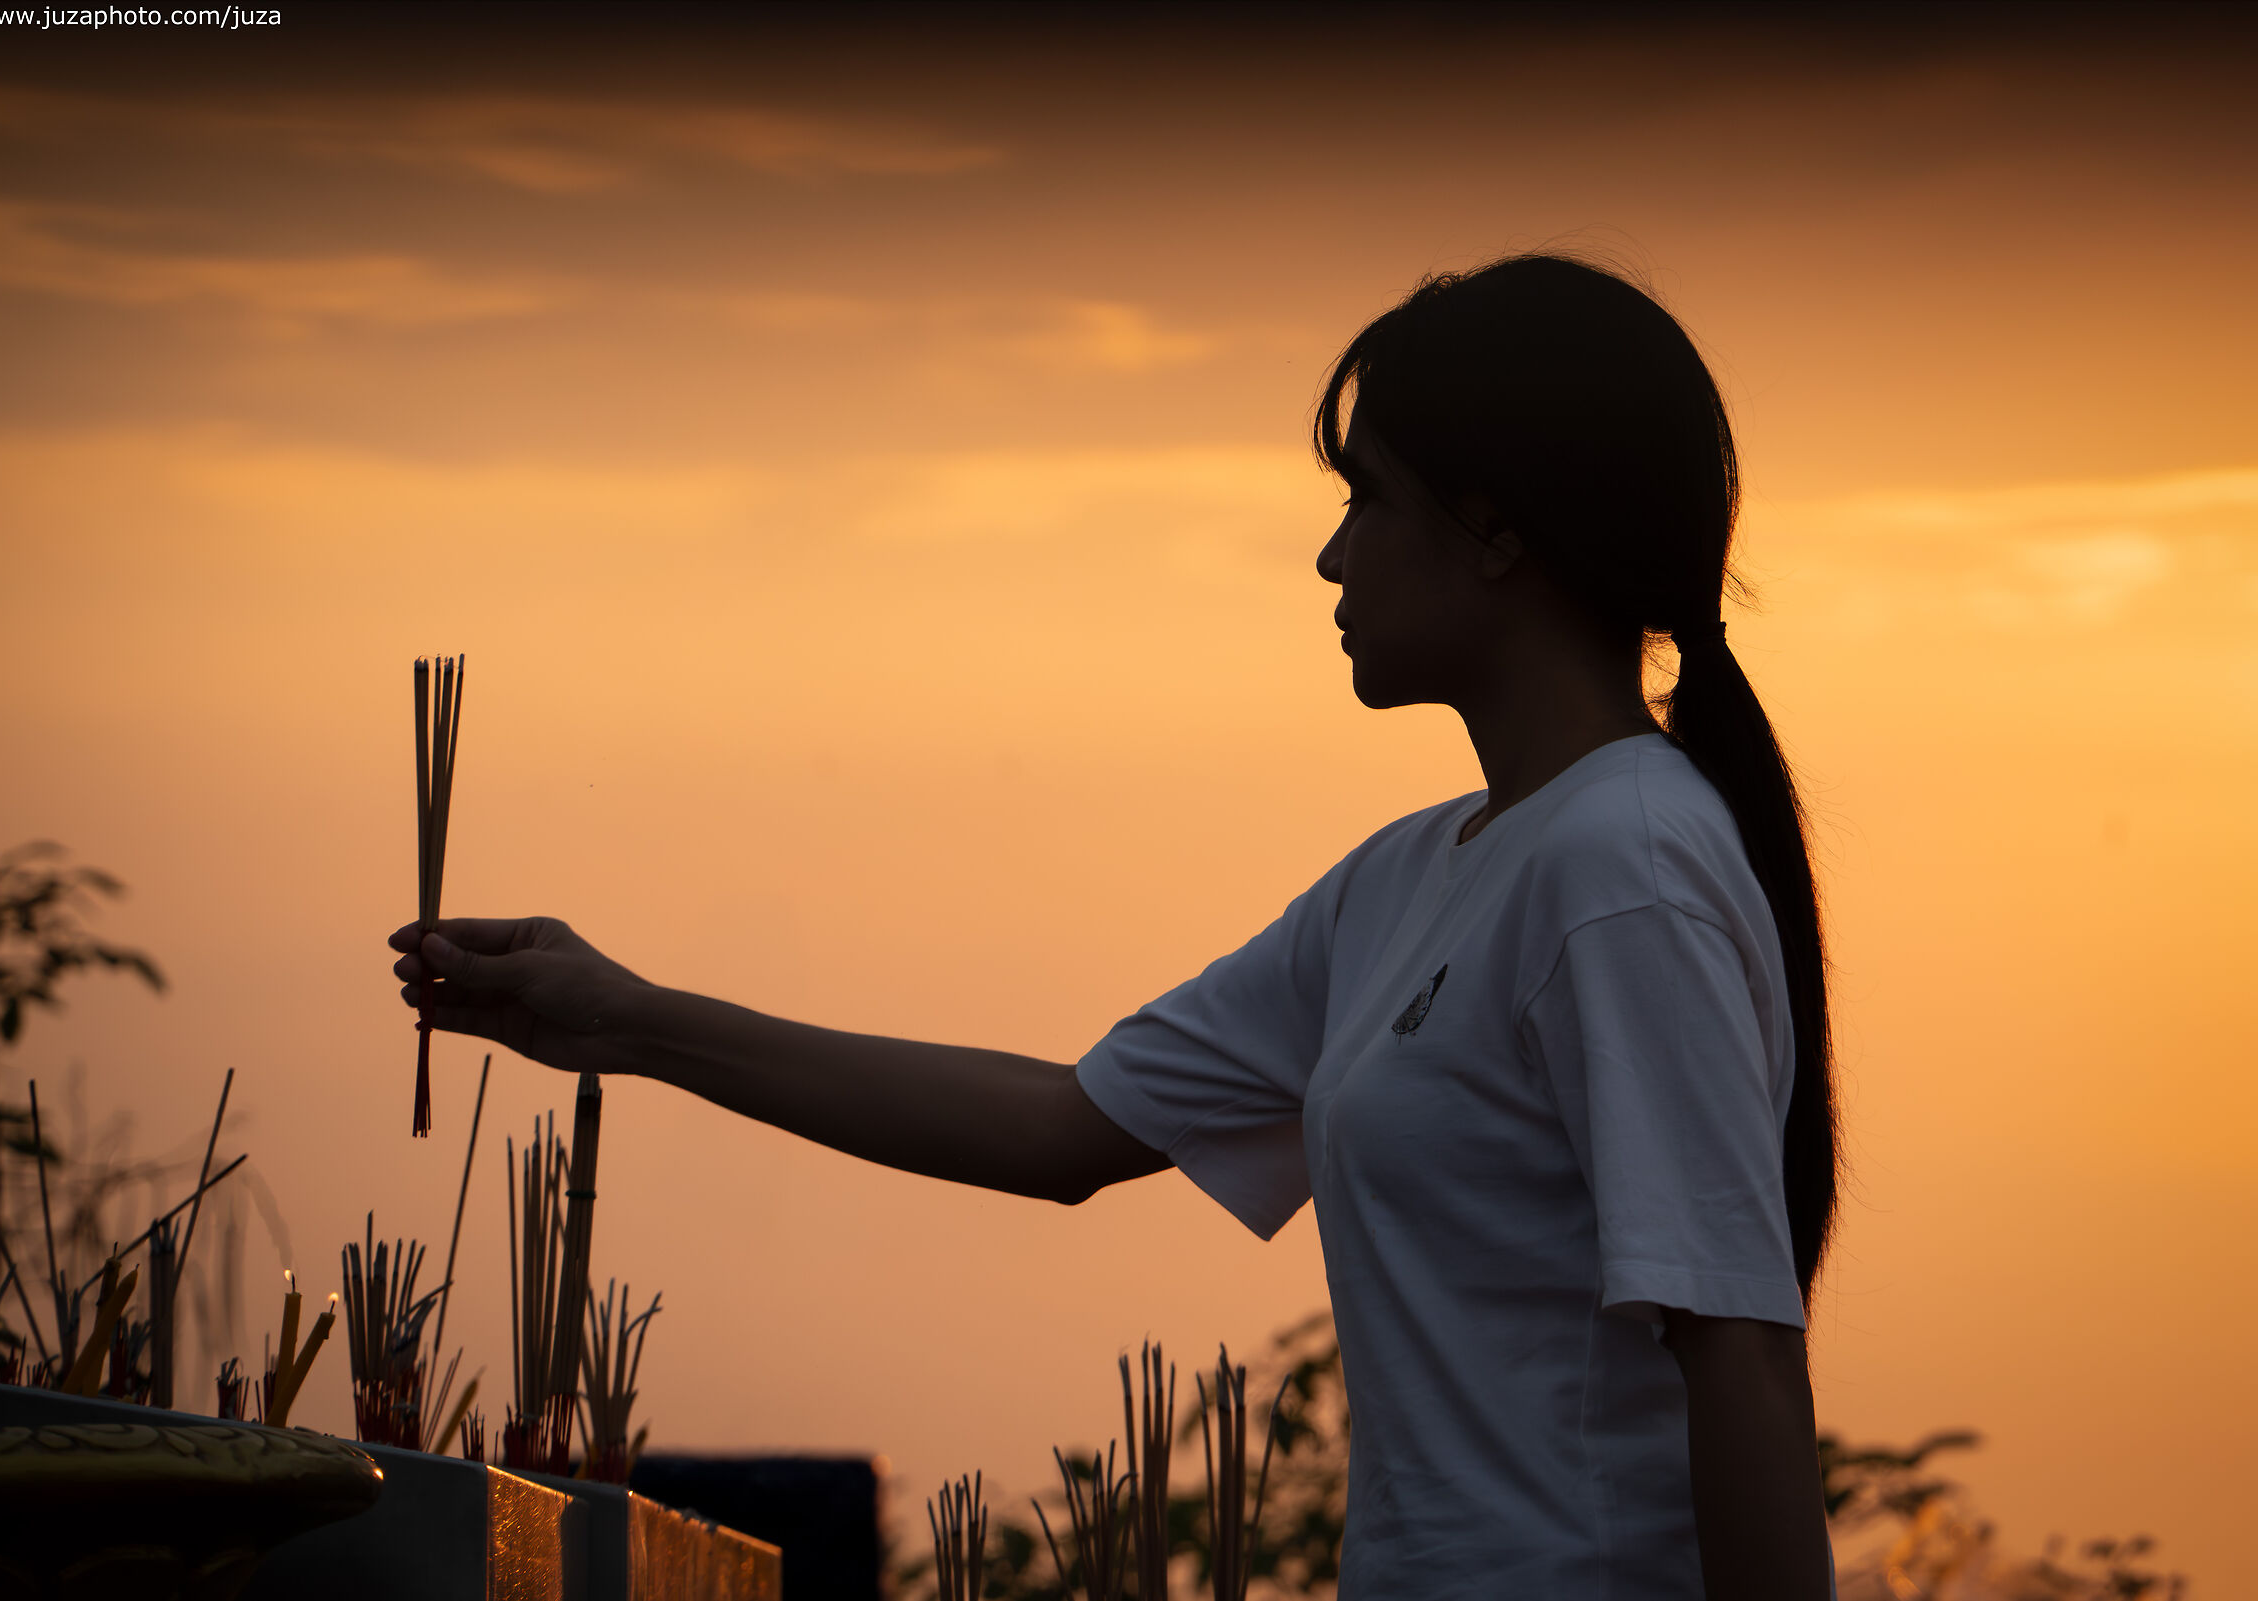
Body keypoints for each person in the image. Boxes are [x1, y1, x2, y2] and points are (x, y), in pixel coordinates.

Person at [391, 254, 1838, 1601]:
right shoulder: (1412, 879)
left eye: (1371, 499)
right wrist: (622, 1020)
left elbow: (1745, 1358)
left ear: (1498, 534)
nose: (1333, 558)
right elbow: (1064, 1126)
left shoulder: (1622, 863)